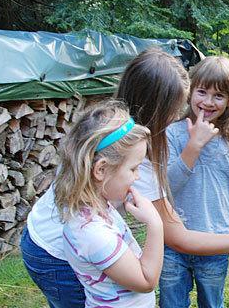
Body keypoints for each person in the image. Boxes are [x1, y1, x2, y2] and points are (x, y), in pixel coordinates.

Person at [20, 48, 229, 308]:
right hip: (55, 255)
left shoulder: (114, 124)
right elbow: (177, 236)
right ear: (156, 108)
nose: (178, 115)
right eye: (175, 106)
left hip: (58, 238)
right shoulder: (132, 157)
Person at [160, 56, 229, 308]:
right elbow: (166, 187)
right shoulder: (173, 133)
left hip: (215, 244)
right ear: (190, 91)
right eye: (202, 92)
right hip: (172, 245)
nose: (208, 102)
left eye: (219, 96)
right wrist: (193, 146)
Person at [55, 100, 162, 307]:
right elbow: (147, 281)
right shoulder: (93, 234)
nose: (137, 177)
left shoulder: (96, 206)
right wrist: (155, 224)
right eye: (133, 169)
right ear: (101, 170)